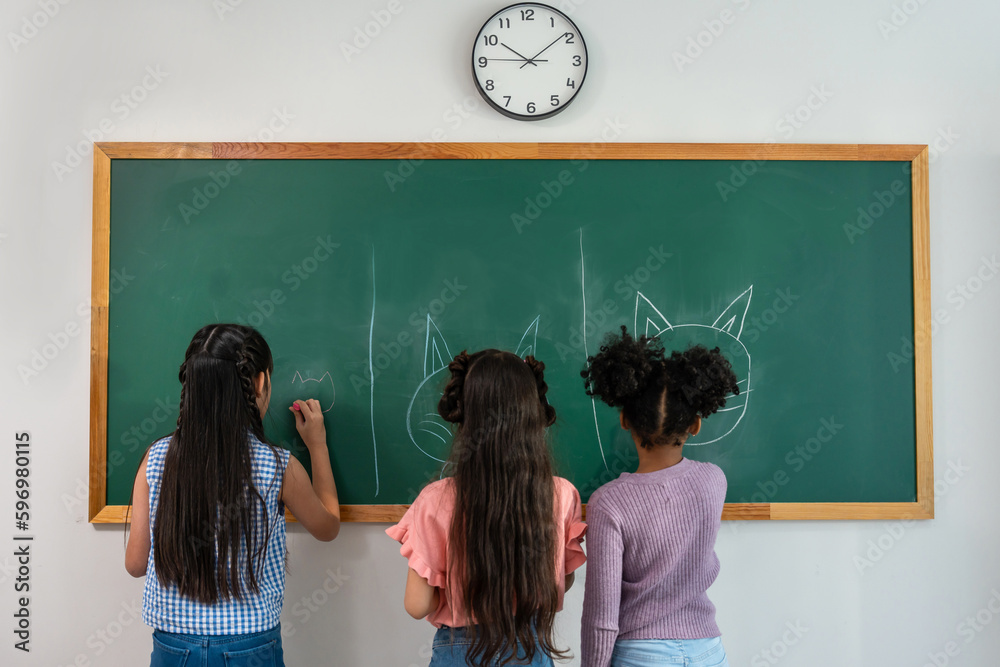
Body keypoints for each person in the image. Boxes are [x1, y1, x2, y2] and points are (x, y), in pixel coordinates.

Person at [124, 324, 341, 666]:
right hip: (249, 646)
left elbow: (136, 564)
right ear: (259, 383)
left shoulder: (156, 458)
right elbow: (328, 527)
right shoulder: (278, 465)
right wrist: (316, 445)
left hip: (173, 646)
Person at [387, 349, 586, 666]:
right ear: (533, 412)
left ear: (464, 412)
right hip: (530, 649)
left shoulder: (434, 499)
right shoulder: (561, 494)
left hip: (458, 651)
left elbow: (417, 604)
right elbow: (563, 579)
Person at [580, 327, 739, 667]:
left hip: (642, 652)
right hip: (708, 650)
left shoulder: (609, 503)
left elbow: (602, 614)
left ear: (624, 420)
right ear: (695, 425)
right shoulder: (714, 481)